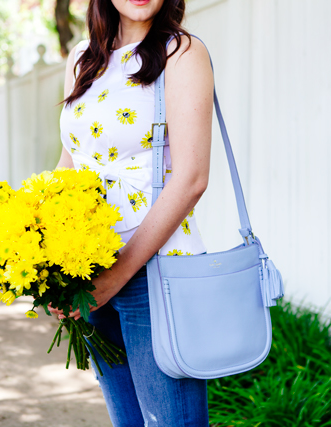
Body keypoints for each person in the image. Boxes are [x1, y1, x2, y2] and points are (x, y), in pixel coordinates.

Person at [48, 0, 214, 423]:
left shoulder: (182, 53)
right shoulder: (82, 59)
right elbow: (71, 163)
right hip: (91, 271)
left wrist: (118, 274)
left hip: (156, 274)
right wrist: (44, 260)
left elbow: (192, 178)